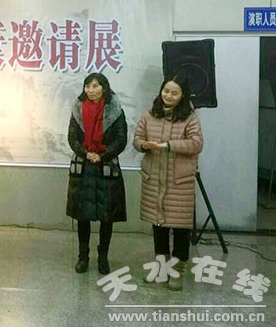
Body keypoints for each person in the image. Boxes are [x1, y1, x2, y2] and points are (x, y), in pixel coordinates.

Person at [133, 74, 203, 291]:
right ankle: (161, 269)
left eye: (174, 93)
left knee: (181, 228)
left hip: (178, 182)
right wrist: (144, 145)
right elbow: (137, 139)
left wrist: (168, 145)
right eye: (166, 91)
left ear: (182, 95)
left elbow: (196, 144)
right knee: (159, 226)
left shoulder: (190, 118)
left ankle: (177, 271)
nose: (169, 96)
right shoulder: (149, 114)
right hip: (155, 179)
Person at [66, 73, 127, 275]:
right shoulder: (77, 109)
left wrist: (102, 155)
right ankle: (83, 256)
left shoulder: (115, 110)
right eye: (87, 86)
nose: (90, 90)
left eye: (95, 86)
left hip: (106, 167)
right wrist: (86, 153)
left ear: (104, 88)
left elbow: (121, 139)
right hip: (83, 167)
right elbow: (72, 137)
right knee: (82, 216)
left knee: (106, 217)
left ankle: (103, 257)